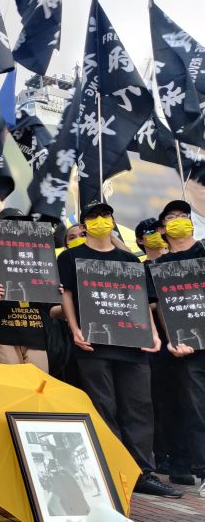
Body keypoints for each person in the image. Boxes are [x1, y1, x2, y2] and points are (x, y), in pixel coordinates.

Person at [56, 201, 182, 498]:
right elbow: (67, 296)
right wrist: (75, 329)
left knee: (139, 407)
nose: (101, 220)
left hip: (133, 344)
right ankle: (111, 468)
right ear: (85, 224)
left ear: (113, 222)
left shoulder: (130, 261)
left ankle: (143, 472)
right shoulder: (71, 257)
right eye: (95, 216)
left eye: (106, 215)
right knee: (104, 408)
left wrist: (153, 334)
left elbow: (141, 299)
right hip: (93, 344)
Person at [146, 200, 205, 492]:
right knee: (191, 408)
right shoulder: (157, 267)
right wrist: (172, 340)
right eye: (172, 217)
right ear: (163, 229)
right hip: (183, 350)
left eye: (185, 215)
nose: (180, 220)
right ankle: (197, 468)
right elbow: (156, 308)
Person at [0, 208, 51, 373]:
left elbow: (48, 302)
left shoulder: (41, 261)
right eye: (10, 223)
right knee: (10, 386)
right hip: (2, 333)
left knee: (38, 387)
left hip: (34, 333)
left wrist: (57, 293)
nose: (16, 228)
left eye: (21, 224)